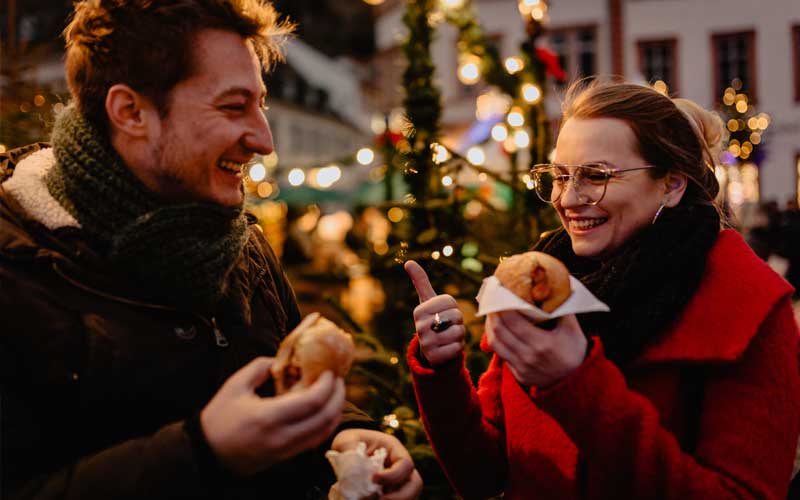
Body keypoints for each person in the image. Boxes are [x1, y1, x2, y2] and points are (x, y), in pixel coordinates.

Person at [0, 1, 422, 498]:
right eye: (232, 106)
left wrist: (343, 435)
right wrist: (201, 453)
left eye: (261, 103)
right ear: (131, 112)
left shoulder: (241, 243)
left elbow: (285, 391)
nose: (265, 140)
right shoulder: (19, 270)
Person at [404, 80, 800, 499]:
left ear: (671, 183)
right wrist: (443, 370)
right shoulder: (539, 284)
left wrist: (575, 383)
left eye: (596, 175)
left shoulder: (748, 305)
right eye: (559, 176)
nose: (568, 198)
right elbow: (481, 475)